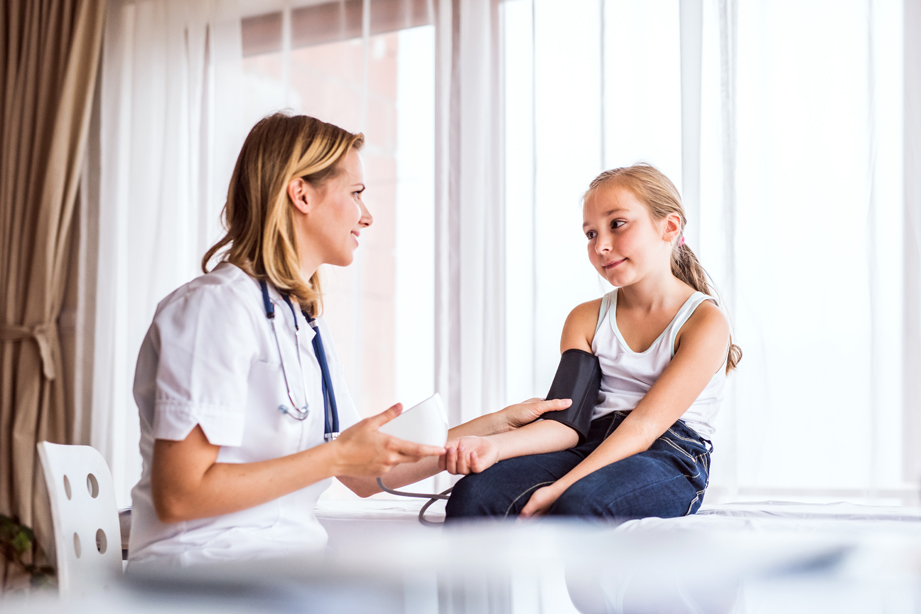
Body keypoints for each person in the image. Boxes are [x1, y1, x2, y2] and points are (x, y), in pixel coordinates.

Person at [127, 113, 571, 566]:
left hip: (281, 568)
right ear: (301, 193)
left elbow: (362, 473)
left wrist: (495, 426)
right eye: (356, 193)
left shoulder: (303, 324)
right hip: (201, 571)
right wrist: (336, 456)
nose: (367, 215)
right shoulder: (214, 310)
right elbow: (179, 495)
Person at [442, 163, 741, 521]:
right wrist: (493, 447)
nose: (601, 246)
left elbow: (644, 427)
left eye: (617, 224)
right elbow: (567, 424)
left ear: (670, 226)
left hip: (669, 452)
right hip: (591, 443)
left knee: (581, 504)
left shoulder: (705, 322)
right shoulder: (584, 319)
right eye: (590, 234)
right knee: (475, 493)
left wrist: (560, 488)